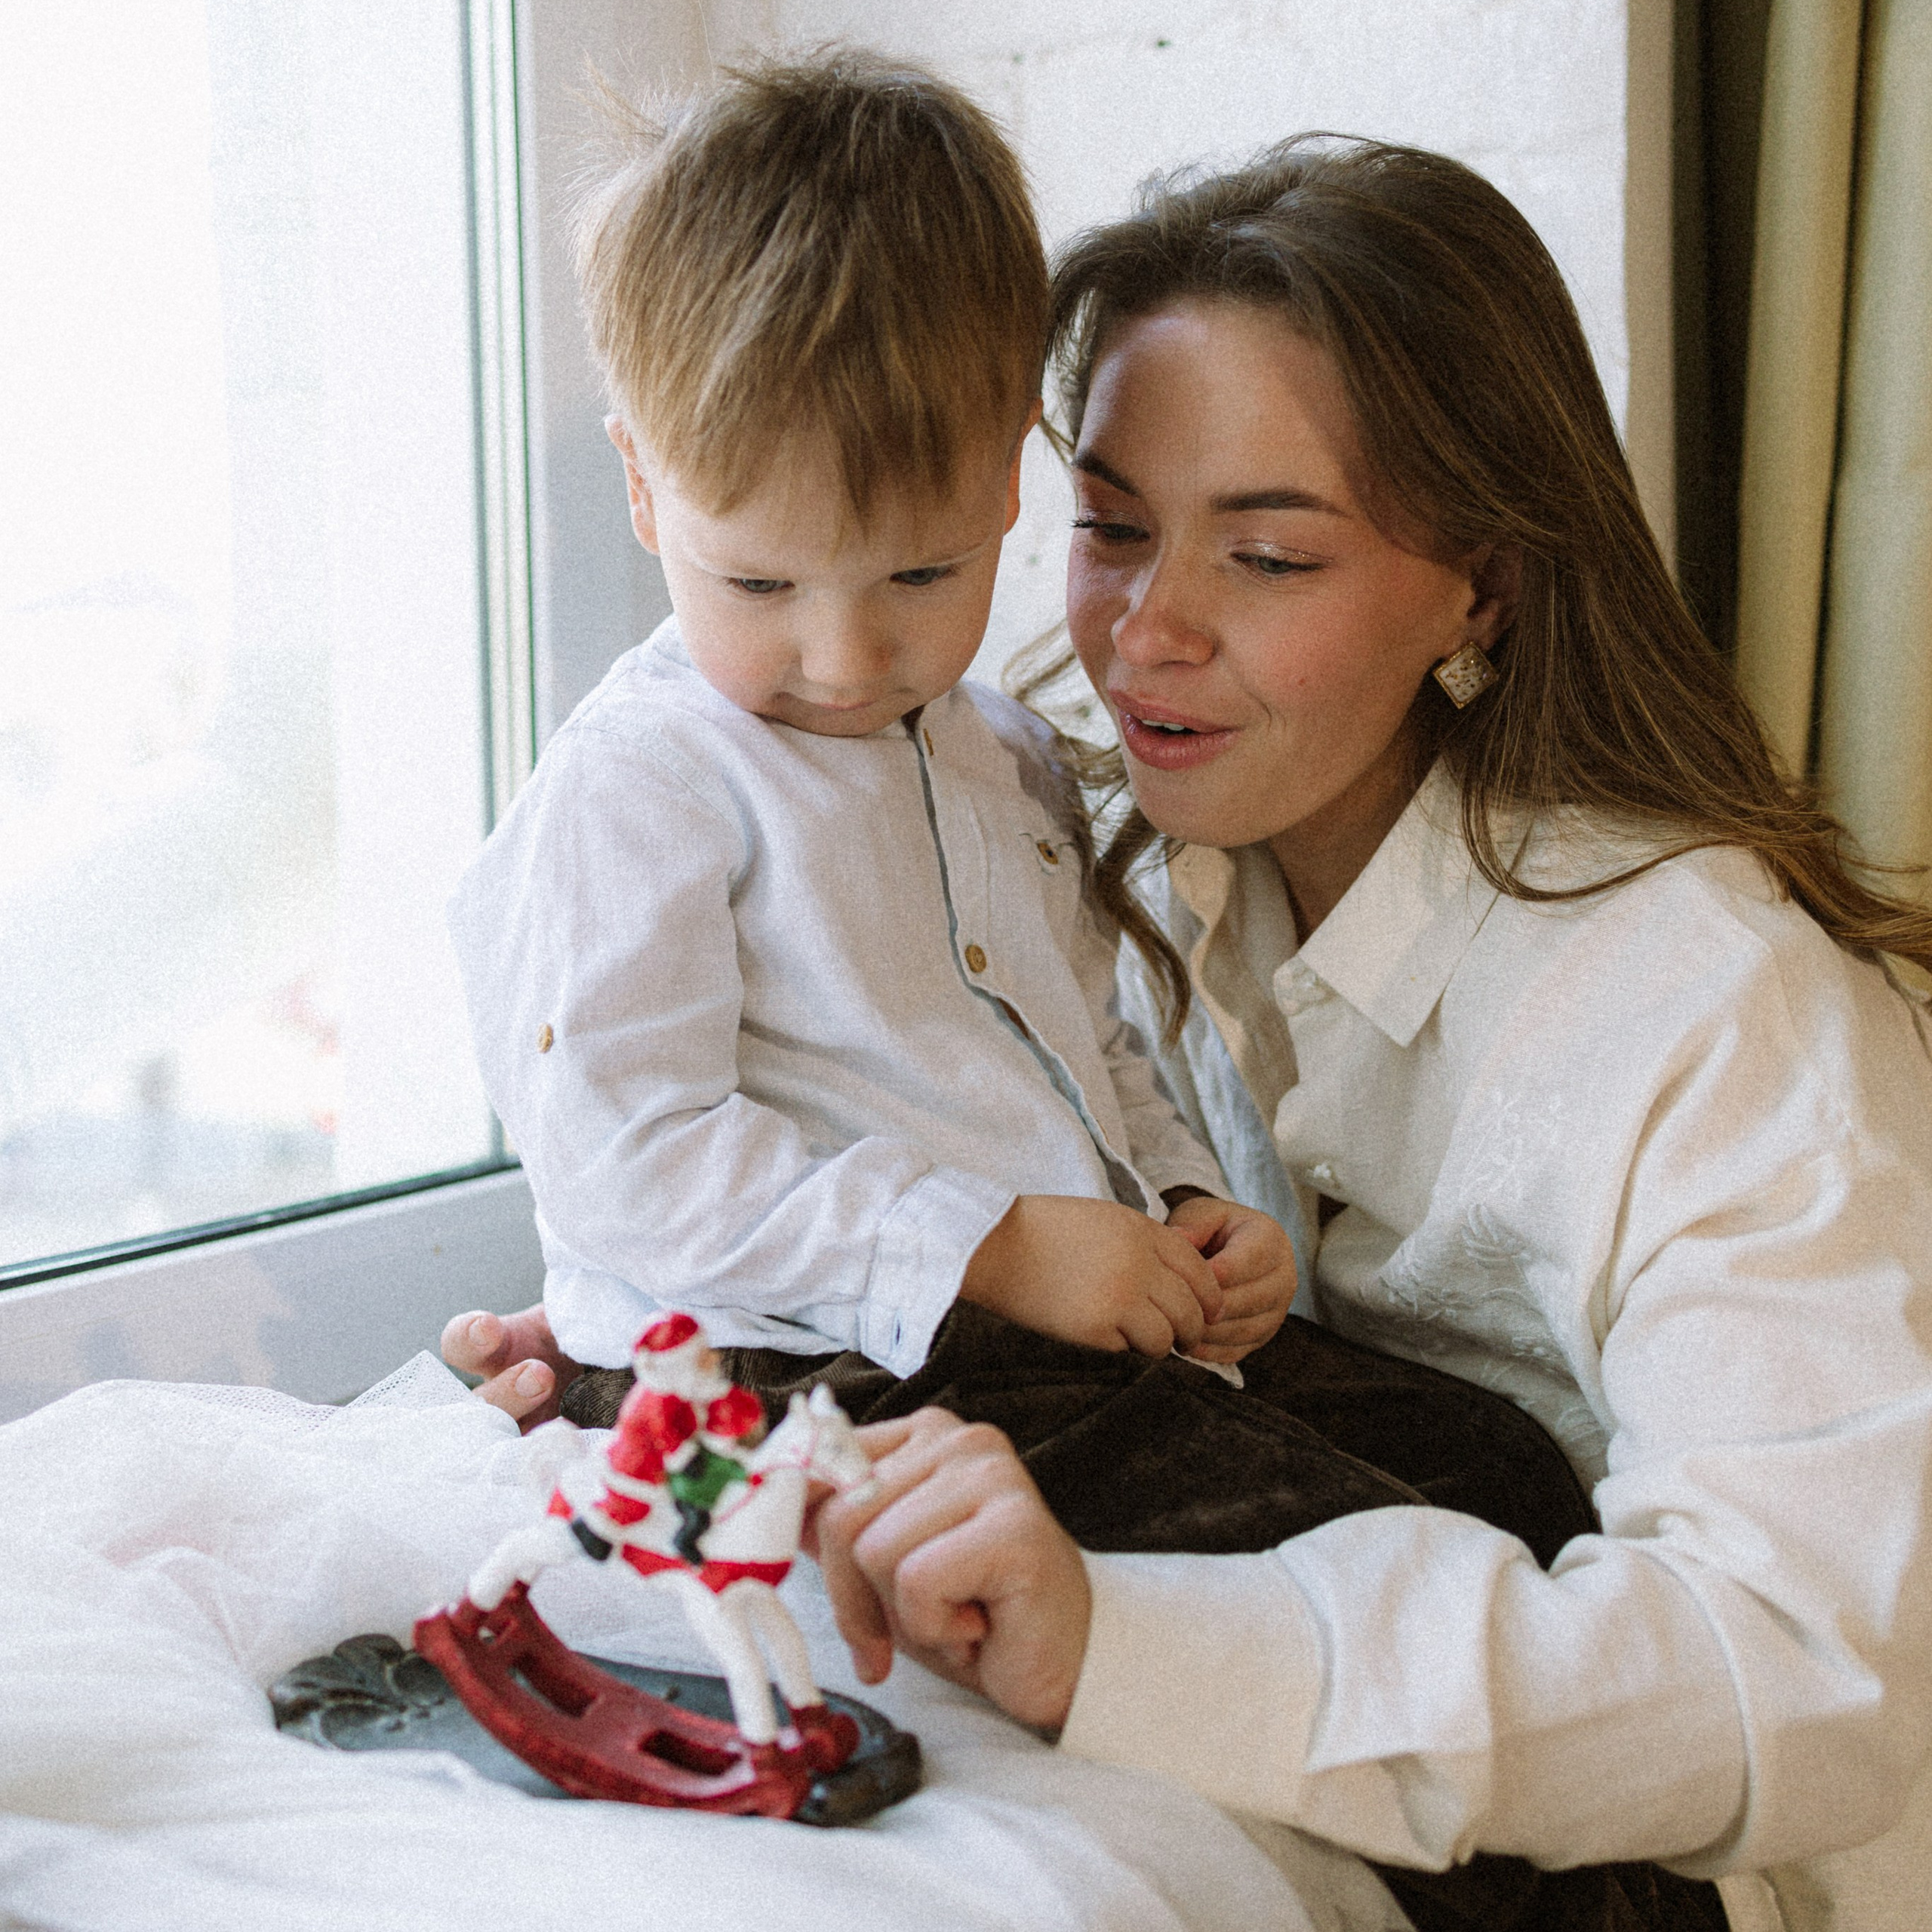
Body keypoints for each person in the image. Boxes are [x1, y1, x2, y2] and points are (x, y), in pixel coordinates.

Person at [798, 138, 1932, 1931]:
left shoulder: (1714, 1016)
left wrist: (1131, 1641)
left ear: (1477, 585)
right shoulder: (1145, 899)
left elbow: (1794, 1677)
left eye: (1262, 553)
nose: (1141, 630)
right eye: (1106, 527)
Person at [445, 51, 1298, 1401]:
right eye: (760, 584)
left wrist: (1183, 1200)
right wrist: (991, 1247)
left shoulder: (1007, 759)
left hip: (1041, 1346)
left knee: (1486, 1460)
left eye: (920, 574)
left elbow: (1084, 1048)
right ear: (645, 488)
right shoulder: (646, 786)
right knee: (1305, 1529)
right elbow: (629, 1157)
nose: (846, 660)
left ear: (1015, 470)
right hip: (791, 1373)